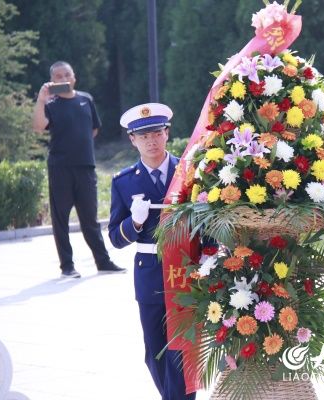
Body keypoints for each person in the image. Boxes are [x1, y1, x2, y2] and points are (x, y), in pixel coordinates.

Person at [108, 103, 194, 400]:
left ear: (167, 133)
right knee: (154, 351)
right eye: (142, 136)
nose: (151, 140)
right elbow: (115, 239)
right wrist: (134, 222)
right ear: (132, 140)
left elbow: (207, 219)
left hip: (185, 267)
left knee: (181, 348)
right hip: (150, 270)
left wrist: (209, 253)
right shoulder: (123, 181)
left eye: (156, 132)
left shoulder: (189, 172)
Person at [32, 61, 124, 278]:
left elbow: (93, 129)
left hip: (86, 167)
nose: (63, 79)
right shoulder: (50, 103)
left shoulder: (86, 99)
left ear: (74, 77)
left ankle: (103, 261)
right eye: (58, 76)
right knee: (61, 218)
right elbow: (38, 127)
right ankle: (67, 266)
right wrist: (40, 99)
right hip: (60, 168)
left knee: (90, 218)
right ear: (52, 80)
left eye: (67, 74)